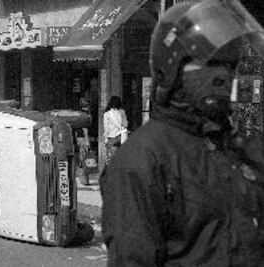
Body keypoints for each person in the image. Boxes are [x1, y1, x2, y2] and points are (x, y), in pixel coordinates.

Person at [100, 0, 264, 266]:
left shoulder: (235, 147)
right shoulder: (142, 160)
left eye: (229, 66)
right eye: (210, 63)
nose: (223, 76)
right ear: (172, 67)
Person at [103, 96, 127, 164]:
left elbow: (106, 129)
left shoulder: (107, 114)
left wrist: (105, 140)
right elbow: (125, 125)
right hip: (121, 138)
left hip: (112, 139)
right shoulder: (122, 112)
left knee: (111, 159)